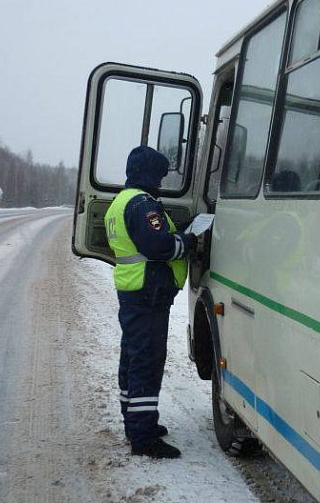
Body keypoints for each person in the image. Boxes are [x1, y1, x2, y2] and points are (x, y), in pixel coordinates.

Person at [104, 145, 198, 459]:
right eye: (158, 176)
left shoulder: (120, 202)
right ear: (148, 174)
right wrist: (189, 241)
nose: (160, 182)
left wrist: (177, 234)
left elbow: (145, 242)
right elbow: (158, 246)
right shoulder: (143, 204)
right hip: (148, 295)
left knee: (132, 358)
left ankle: (135, 421)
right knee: (146, 362)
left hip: (134, 293)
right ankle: (143, 437)